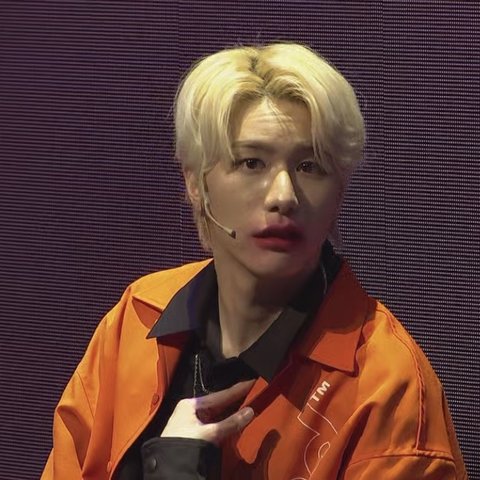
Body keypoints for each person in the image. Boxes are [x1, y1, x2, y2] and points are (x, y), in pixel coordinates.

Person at [41, 43, 468, 480]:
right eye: (251, 163)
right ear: (196, 183)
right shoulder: (136, 316)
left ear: (339, 192)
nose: (283, 195)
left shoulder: (387, 384)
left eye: (310, 166)